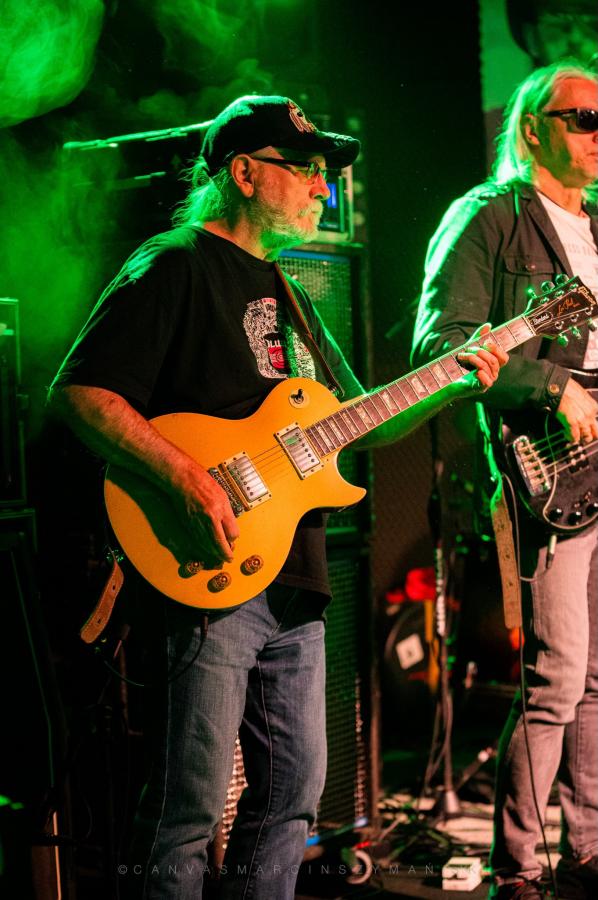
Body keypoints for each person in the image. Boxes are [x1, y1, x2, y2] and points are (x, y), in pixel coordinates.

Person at [48, 93, 507, 900]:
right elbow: (82, 394)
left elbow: (360, 422)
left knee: (292, 800)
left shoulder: (291, 291)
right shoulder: (174, 263)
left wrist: (452, 383)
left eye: (325, 175)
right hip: (211, 563)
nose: (322, 188)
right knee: (188, 809)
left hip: (294, 577)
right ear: (244, 173)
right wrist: (187, 479)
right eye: (305, 169)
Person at [411, 61, 598, 899]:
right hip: (549, 464)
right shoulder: (489, 216)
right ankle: (518, 868)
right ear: (531, 129)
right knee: (557, 676)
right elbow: (440, 345)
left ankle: (587, 850)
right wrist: (551, 387)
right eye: (582, 118)